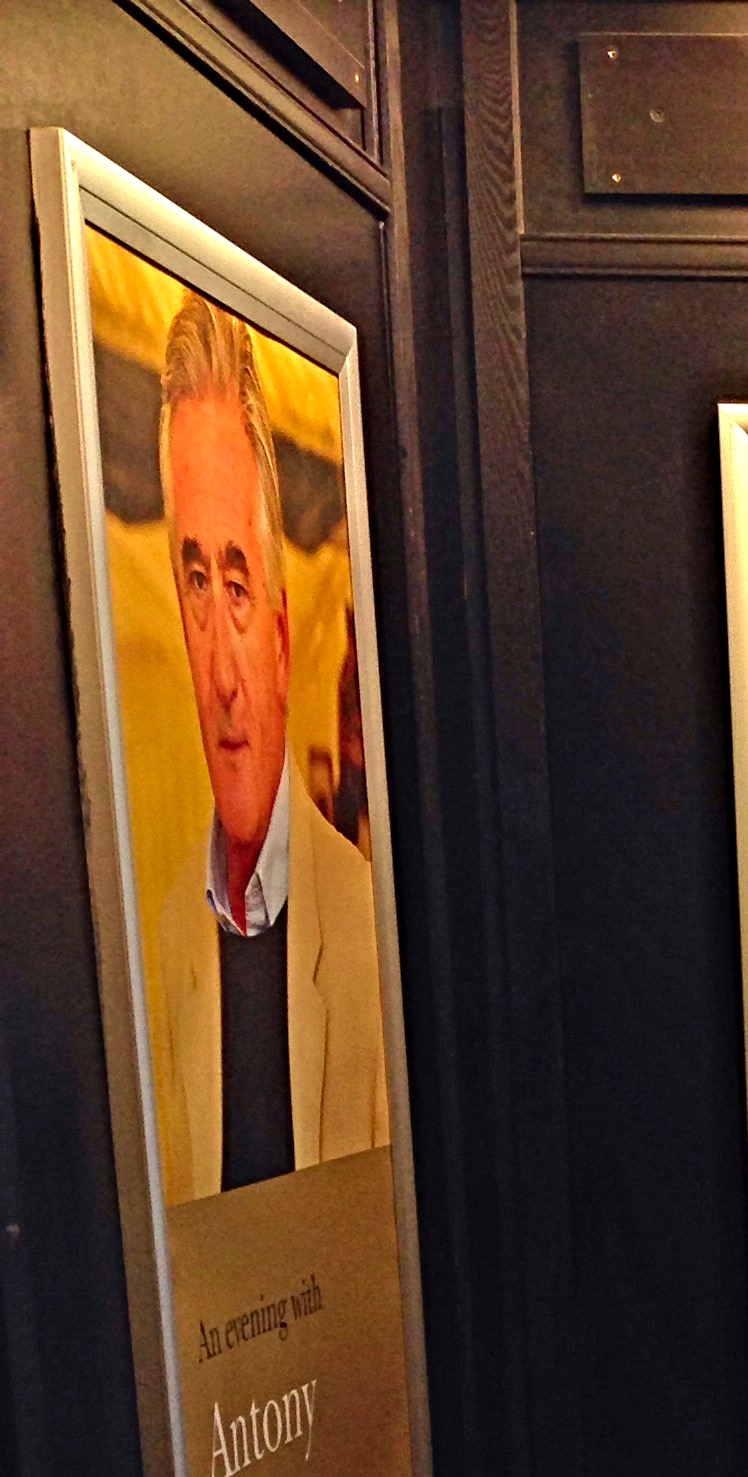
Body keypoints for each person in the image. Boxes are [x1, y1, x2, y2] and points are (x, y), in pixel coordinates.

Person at [150, 291, 387, 1204]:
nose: (222, 672)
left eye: (240, 586)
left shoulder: (373, 937)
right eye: (196, 581)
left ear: (285, 637)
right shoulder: (169, 937)